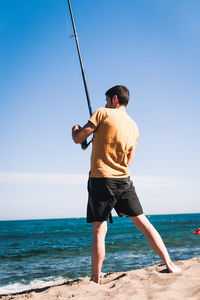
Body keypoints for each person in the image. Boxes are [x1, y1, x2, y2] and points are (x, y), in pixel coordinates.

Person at [72, 85, 181, 284]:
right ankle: (169, 263)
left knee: (99, 228)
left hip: (101, 179)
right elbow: (129, 160)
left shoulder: (102, 113)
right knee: (143, 222)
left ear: (114, 99)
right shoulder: (134, 126)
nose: (105, 104)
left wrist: (76, 129)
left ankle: (95, 279)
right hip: (124, 179)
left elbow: (79, 138)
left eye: (107, 100)